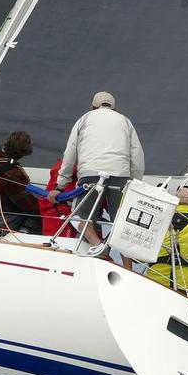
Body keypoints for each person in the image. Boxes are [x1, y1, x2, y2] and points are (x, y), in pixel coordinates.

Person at [48, 91, 144, 266]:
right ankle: (128, 268)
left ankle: (97, 245)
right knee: (119, 222)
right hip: (120, 175)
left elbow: (70, 153)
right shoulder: (125, 121)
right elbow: (136, 156)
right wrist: (135, 182)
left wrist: (60, 185)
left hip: (91, 173)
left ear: (92, 106)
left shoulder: (84, 119)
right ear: (114, 108)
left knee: (78, 216)